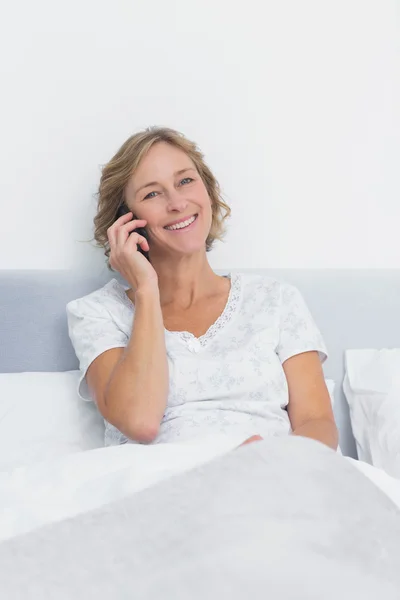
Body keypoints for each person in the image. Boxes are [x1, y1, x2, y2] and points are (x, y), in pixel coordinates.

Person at [66, 126, 338, 451]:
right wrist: (146, 290)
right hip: (161, 490)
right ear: (126, 220)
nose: (177, 203)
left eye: (185, 181)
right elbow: (140, 422)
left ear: (207, 191)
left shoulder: (275, 299)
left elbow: (317, 423)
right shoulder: (97, 314)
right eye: (152, 193)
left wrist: (271, 462)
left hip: (270, 480)